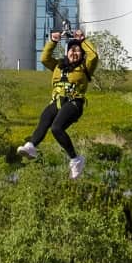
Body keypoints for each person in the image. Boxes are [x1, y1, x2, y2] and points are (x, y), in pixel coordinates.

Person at [17, 28, 98, 179]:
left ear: (82, 54)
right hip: (57, 101)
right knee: (45, 118)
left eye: (78, 51)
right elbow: (44, 58)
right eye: (71, 50)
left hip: (74, 102)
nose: (74, 53)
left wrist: (82, 41)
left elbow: (93, 56)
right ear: (67, 52)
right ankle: (31, 146)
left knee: (56, 128)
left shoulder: (85, 67)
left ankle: (75, 159)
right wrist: (53, 41)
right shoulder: (58, 65)